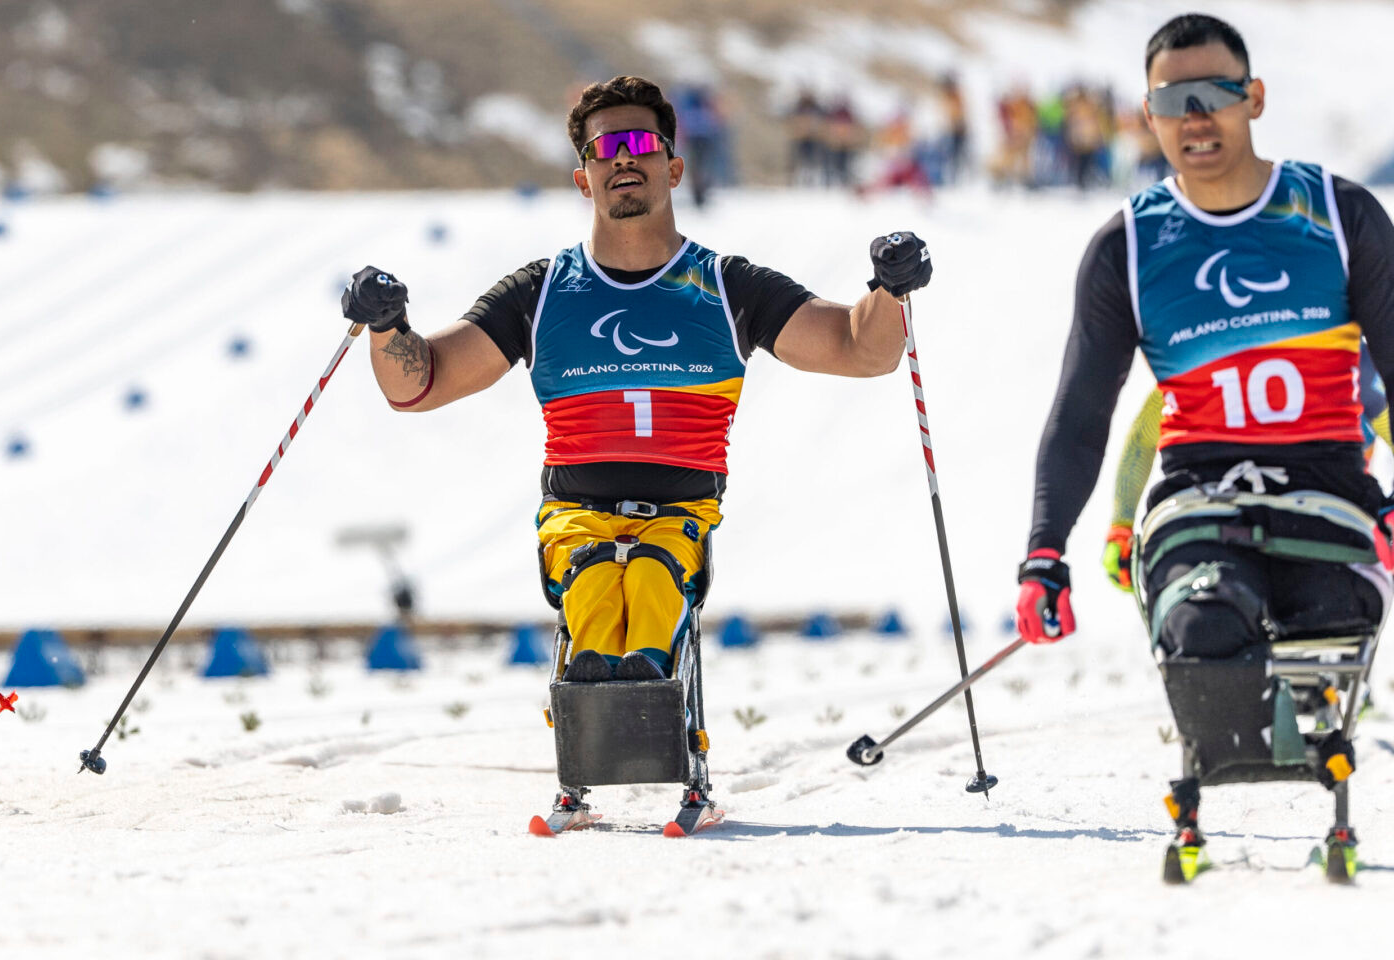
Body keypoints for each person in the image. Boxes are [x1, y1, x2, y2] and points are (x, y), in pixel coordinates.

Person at [342, 77, 929, 691]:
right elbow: (420, 385)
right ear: (583, 178)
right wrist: (388, 327)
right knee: (594, 572)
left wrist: (889, 288)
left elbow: (859, 350)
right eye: (604, 147)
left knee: (653, 571)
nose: (623, 155)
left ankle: (643, 676)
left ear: (673, 168)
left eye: (641, 142)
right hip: (574, 517)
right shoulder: (540, 293)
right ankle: (598, 687)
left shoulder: (728, 287)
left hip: (681, 515)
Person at [1012, 14, 1394, 870]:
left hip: (1330, 487)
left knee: (1334, 620)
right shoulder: (1130, 247)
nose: (1195, 118)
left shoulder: (1340, 214)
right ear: (1146, 117)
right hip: (1197, 497)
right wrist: (1047, 550)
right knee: (1203, 628)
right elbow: (1084, 412)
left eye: (1214, 95)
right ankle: (1226, 766)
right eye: (1170, 101)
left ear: (1252, 97)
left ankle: (1319, 744)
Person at [1102, 352, 1392, 592]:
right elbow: (1144, 435)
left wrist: (1122, 524)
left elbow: (1143, 436)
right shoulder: (1351, 359)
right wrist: (1120, 525)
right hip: (1321, 524)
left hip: (1252, 523)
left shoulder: (1205, 353)